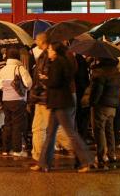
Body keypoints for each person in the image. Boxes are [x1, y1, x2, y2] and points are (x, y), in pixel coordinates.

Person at [32, 42, 95, 173]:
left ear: (55, 51)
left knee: (70, 133)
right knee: (50, 133)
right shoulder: (63, 61)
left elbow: (55, 82)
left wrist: (45, 79)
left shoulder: (57, 63)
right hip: (57, 102)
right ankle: (43, 163)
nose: (48, 51)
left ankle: (86, 160)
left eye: (50, 49)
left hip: (60, 102)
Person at [28, 32, 71, 161]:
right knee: (38, 128)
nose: (35, 42)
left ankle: (77, 149)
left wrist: (42, 82)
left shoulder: (50, 56)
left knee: (56, 131)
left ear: (42, 41)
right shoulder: (42, 56)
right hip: (40, 98)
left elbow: (47, 77)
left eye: (36, 39)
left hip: (46, 98)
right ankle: (38, 156)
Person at [0, 46, 32, 156]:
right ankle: (17, 150)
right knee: (17, 125)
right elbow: (28, 84)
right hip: (19, 100)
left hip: (6, 100)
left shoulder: (3, 69)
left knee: (7, 124)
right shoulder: (20, 69)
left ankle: (5, 149)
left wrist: (7, 88)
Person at [89, 57, 120, 167]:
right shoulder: (116, 71)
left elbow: (97, 91)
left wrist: (92, 102)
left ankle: (101, 155)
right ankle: (112, 154)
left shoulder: (100, 72)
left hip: (102, 104)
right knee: (110, 130)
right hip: (113, 105)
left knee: (99, 130)